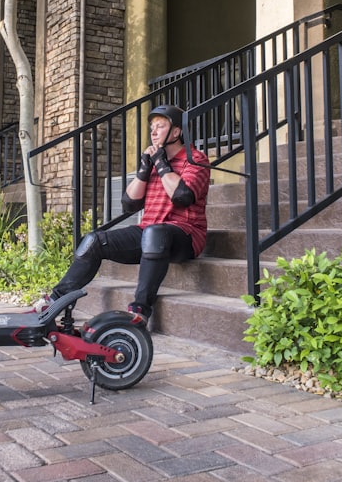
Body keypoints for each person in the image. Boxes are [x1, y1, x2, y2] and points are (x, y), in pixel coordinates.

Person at [34, 104, 210, 322]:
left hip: (186, 236)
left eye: (160, 126)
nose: (153, 132)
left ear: (176, 132)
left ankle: (140, 312)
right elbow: (130, 203)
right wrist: (145, 169)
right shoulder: (155, 162)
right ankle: (55, 301)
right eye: (152, 127)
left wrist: (162, 164)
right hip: (149, 233)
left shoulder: (196, 159)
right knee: (94, 241)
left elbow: (182, 195)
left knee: (155, 233)